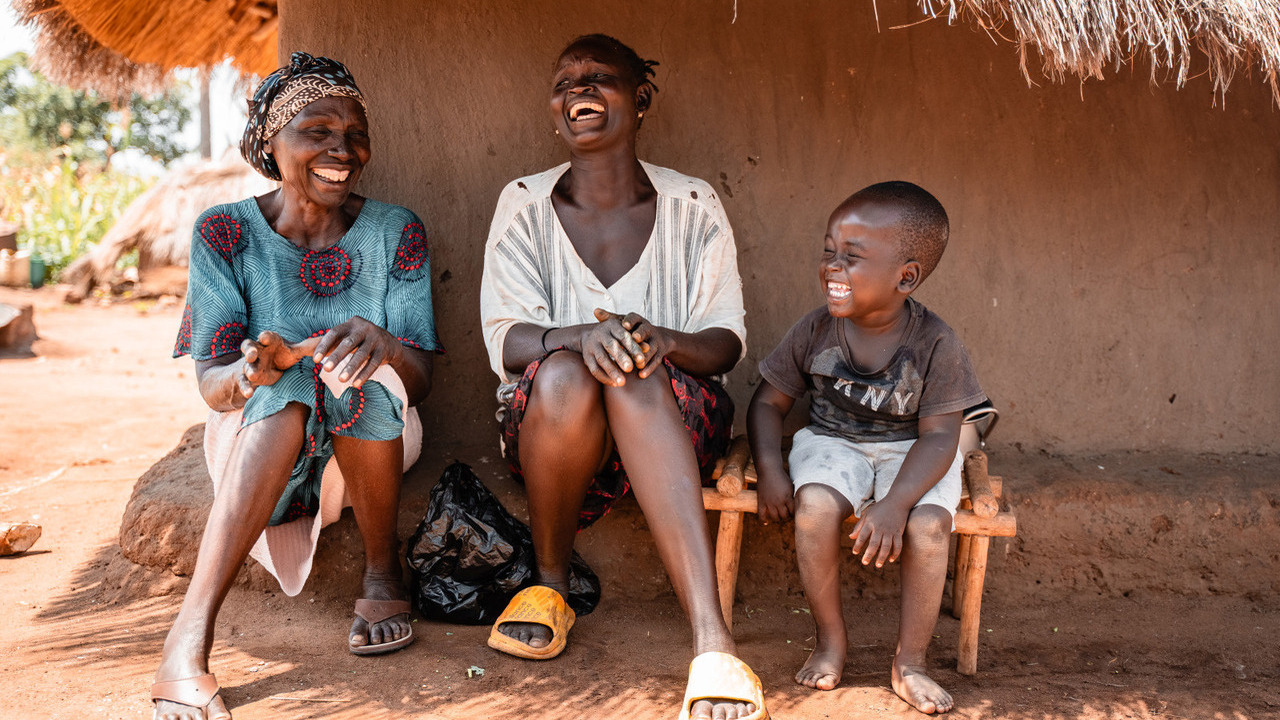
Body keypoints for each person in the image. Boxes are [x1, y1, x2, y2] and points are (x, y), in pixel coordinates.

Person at [480, 34, 767, 720]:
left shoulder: (693, 204)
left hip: (675, 423)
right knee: (563, 376)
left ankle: (712, 641)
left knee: (635, 372)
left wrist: (659, 341)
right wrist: (583, 337)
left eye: (598, 78)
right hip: (556, 431)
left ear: (640, 100)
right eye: (565, 81)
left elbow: (726, 344)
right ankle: (549, 584)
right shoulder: (522, 203)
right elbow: (505, 338)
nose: (578, 91)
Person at [152, 52, 441, 720]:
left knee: (353, 380)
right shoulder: (224, 233)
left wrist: (389, 345)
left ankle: (381, 574)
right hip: (257, 435)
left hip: (373, 438)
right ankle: (188, 637)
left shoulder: (397, 231)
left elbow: (421, 380)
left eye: (354, 133)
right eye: (319, 130)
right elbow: (212, 383)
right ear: (269, 143)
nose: (343, 148)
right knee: (288, 392)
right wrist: (256, 368)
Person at [747, 182, 985, 714]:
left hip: (912, 450)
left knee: (927, 527)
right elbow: (767, 404)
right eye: (829, 252)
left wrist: (897, 504)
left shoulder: (936, 343)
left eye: (851, 259)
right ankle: (830, 640)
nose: (832, 267)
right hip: (833, 443)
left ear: (907, 276)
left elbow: (941, 437)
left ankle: (911, 662)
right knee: (813, 510)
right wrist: (769, 468)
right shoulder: (814, 329)